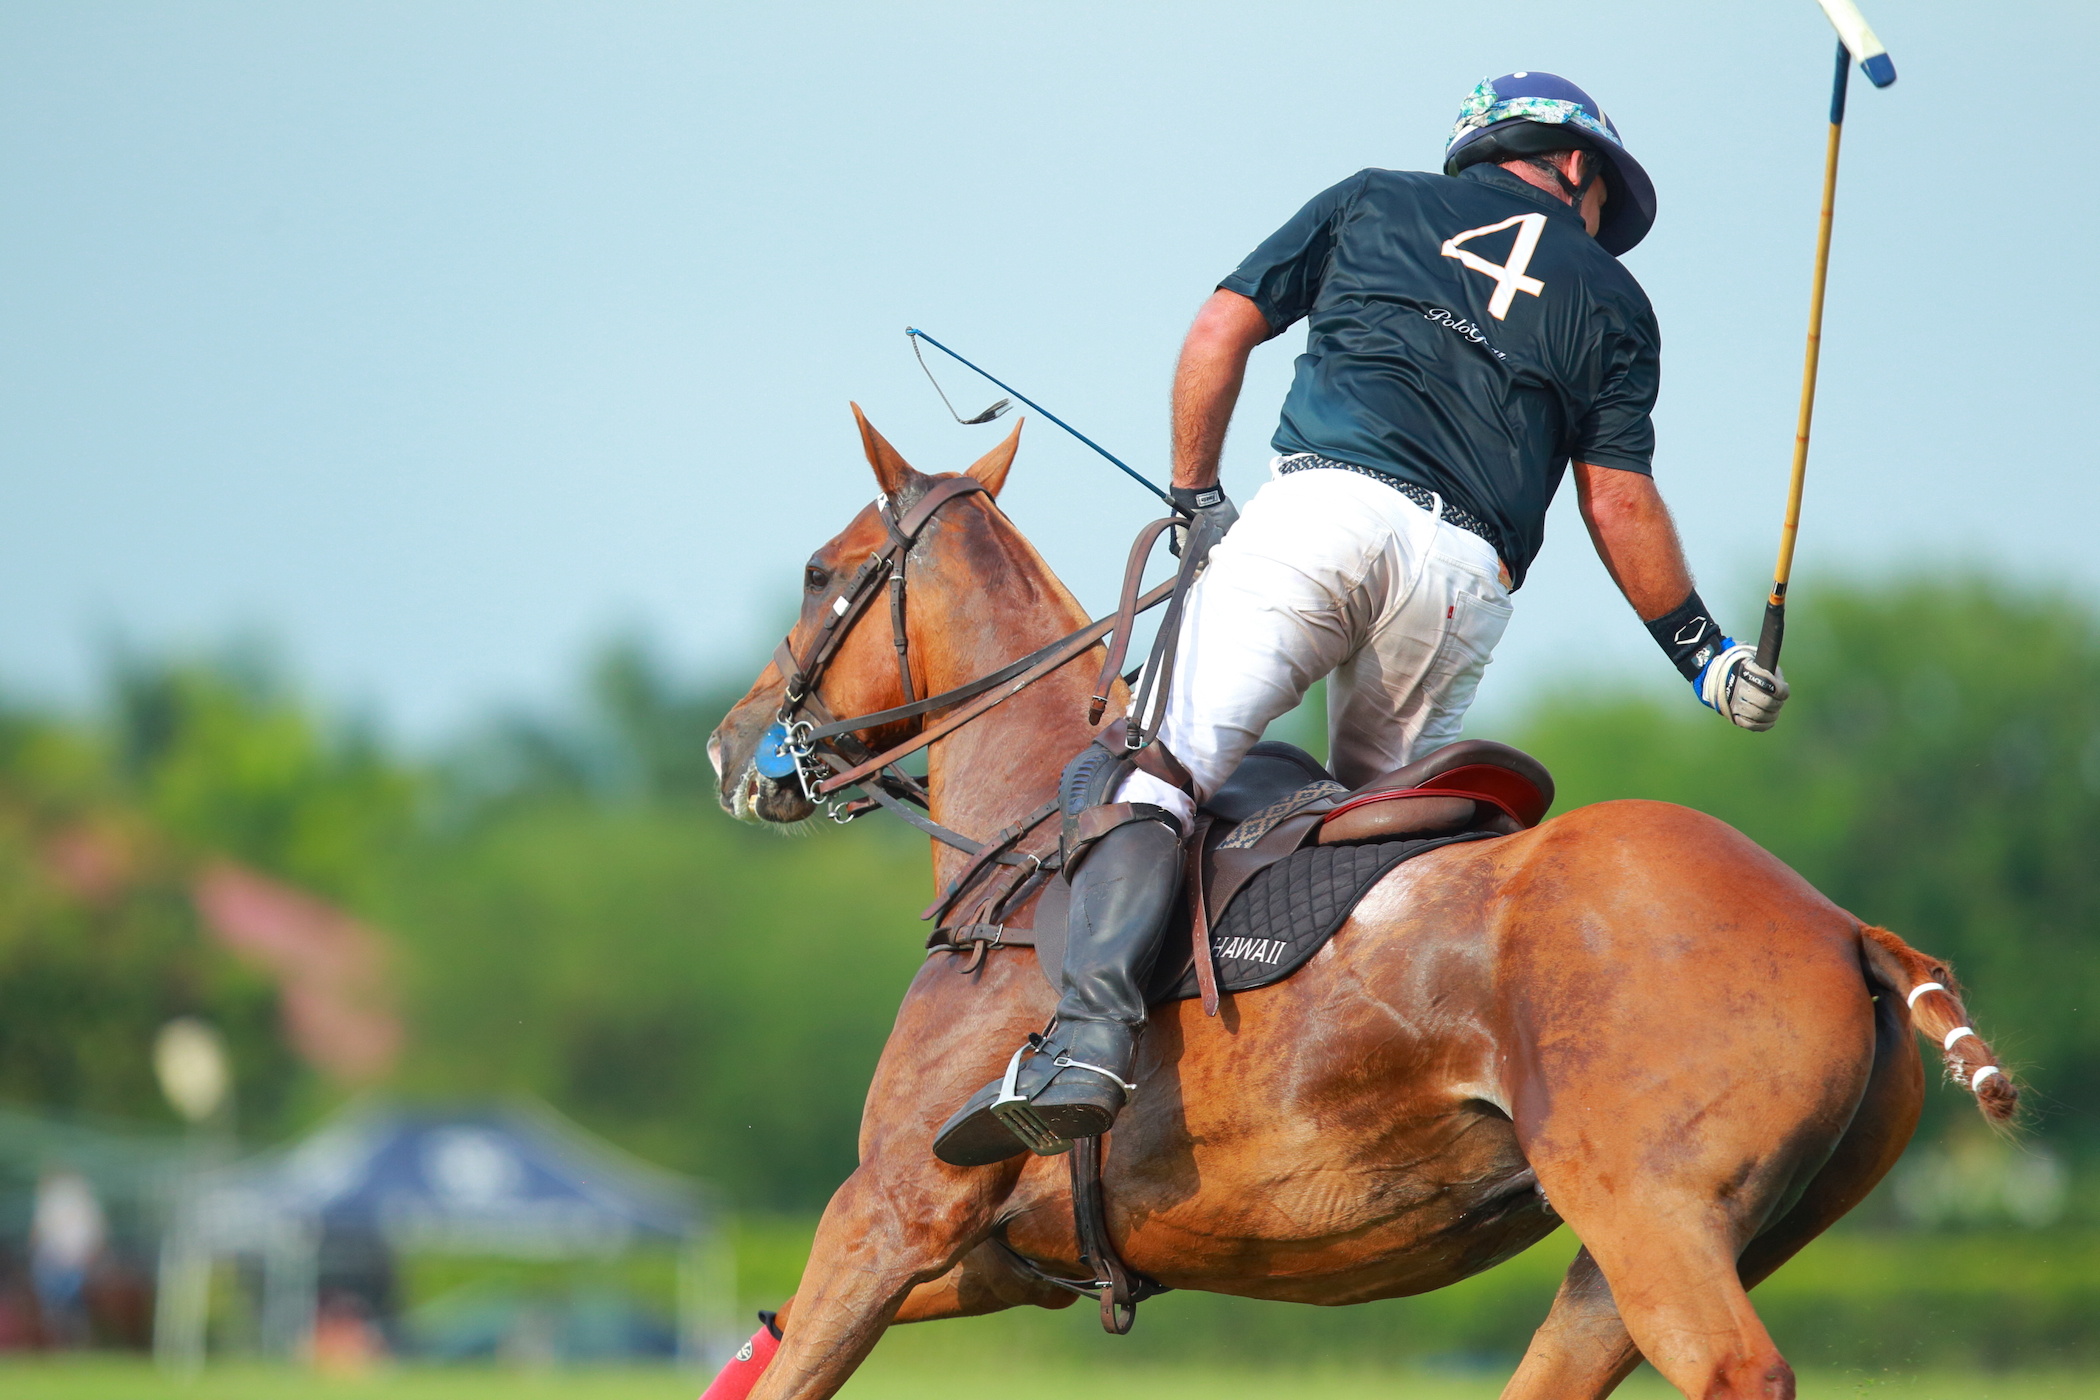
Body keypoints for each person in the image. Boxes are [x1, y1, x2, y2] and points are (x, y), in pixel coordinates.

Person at [935, 71, 1787, 1167]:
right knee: (1383, 838)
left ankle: (1091, 1042)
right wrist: (1706, 660)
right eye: (1600, 200)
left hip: (1321, 515)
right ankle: (1386, 1104)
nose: (1597, 221)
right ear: (1574, 165)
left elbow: (1217, 331)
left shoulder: (1376, 197)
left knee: (1161, 766)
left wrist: (1196, 496)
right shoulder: (1617, 305)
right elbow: (1616, 497)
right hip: (1462, 578)